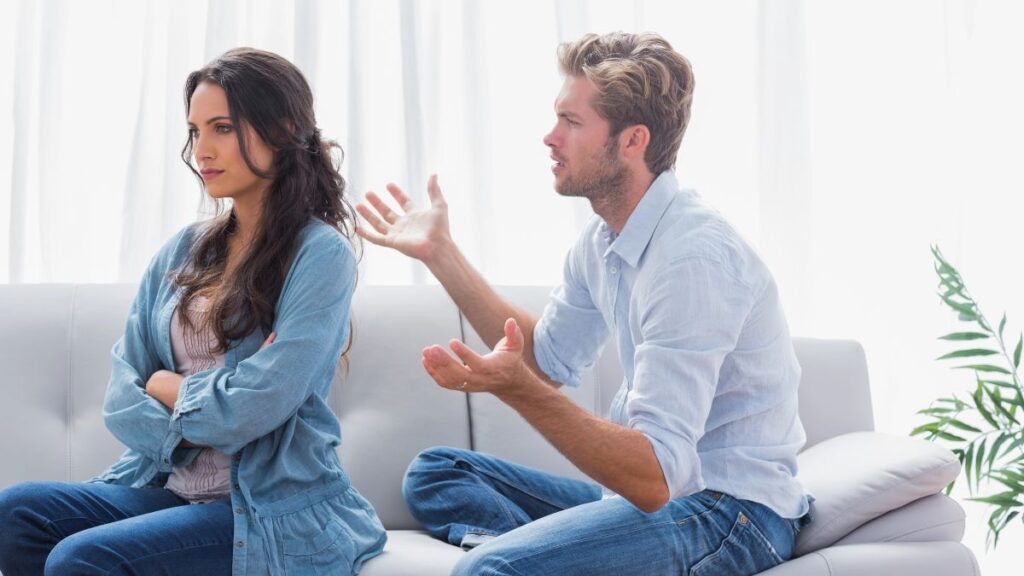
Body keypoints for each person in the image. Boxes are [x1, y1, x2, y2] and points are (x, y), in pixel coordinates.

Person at [356, 32, 811, 575]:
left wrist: (517, 391)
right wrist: (441, 254)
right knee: (438, 472)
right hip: (651, 502)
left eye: (572, 122)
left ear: (632, 140)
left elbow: (655, 477)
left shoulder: (693, 260)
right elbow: (546, 360)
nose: (550, 137)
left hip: (731, 515)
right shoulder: (603, 243)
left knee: (488, 571)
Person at [0, 48, 386, 575]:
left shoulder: (321, 255)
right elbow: (121, 391)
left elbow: (259, 405)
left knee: (80, 558)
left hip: (259, 509)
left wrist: (169, 385)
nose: (202, 149)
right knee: (16, 512)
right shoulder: (184, 248)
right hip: (170, 487)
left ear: (284, 128)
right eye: (195, 130)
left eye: (222, 128)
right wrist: (209, 410)